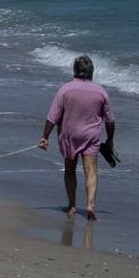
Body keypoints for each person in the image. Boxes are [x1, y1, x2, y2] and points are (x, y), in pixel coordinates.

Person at [37, 54, 117, 221]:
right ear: (91, 72)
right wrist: (109, 140)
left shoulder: (65, 89)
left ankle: (72, 205)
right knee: (91, 171)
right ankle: (90, 205)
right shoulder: (101, 92)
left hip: (69, 135)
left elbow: (53, 116)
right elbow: (110, 120)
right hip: (90, 136)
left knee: (70, 170)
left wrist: (45, 136)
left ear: (75, 71)